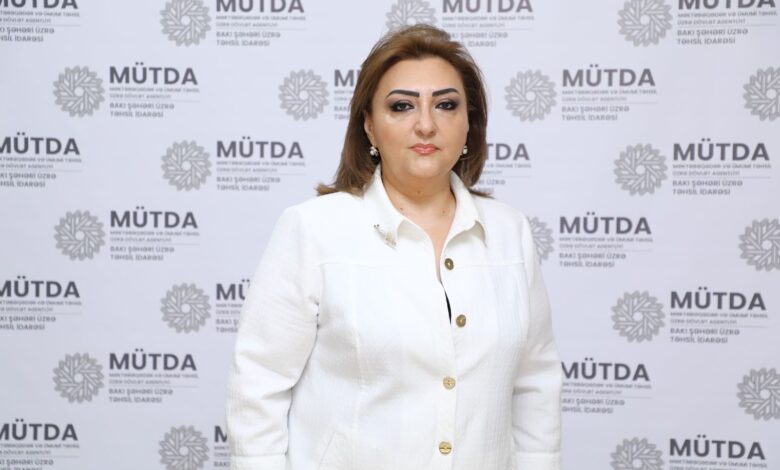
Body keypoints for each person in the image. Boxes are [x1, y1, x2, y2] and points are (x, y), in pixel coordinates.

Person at [225, 24, 562, 470]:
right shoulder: (313, 229)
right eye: (402, 106)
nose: (425, 124)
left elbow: (535, 384)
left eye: (446, 105)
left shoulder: (509, 230)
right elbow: (257, 386)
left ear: (470, 123)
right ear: (369, 125)